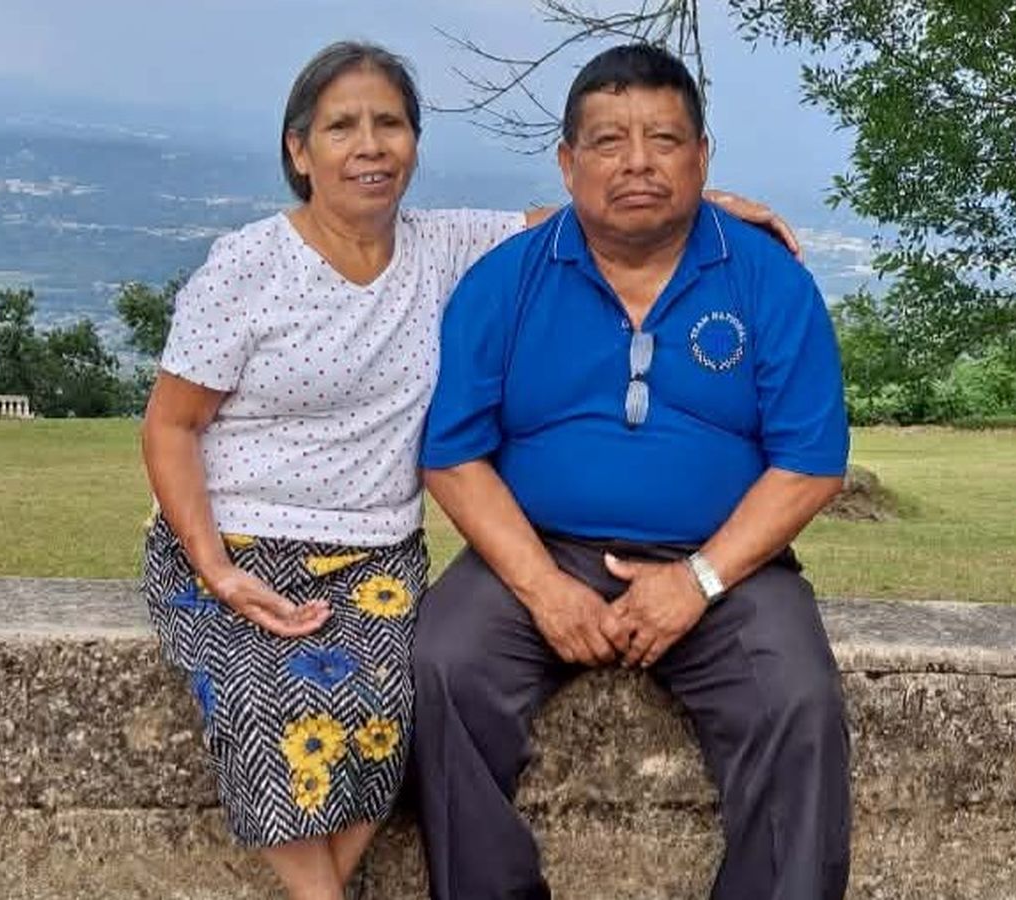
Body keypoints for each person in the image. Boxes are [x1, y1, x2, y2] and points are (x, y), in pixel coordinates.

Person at [141, 40, 796, 900]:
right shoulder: (246, 267)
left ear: (415, 143)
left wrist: (704, 203)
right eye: (341, 128)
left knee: (399, 707)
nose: (370, 146)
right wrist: (216, 569)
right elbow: (171, 426)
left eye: (390, 124)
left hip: (373, 555)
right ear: (299, 151)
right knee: (268, 705)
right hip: (236, 541)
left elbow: (589, 211)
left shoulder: (444, 246)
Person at [414, 42, 852, 900]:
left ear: (703, 157)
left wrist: (698, 580)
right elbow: (454, 454)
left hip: (726, 562)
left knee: (797, 702)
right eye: (610, 141)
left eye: (665, 139)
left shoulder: (769, 279)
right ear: (568, 162)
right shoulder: (505, 281)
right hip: (539, 551)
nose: (639, 163)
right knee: (445, 666)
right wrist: (543, 588)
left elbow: (809, 464)